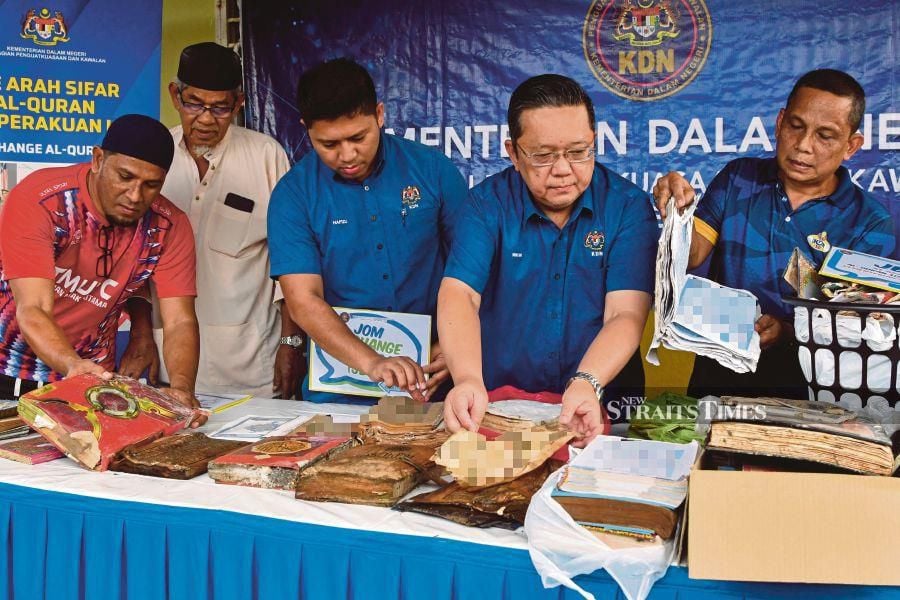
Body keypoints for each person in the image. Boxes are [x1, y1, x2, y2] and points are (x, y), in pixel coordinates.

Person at [438, 74, 658, 445]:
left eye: (578, 152)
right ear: (513, 152)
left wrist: (587, 381)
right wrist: (467, 379)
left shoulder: (627, 207)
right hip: (503, 406)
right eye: (542, 155)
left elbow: (625, 314)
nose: (562, 170)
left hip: (602, 404)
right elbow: (460, 295)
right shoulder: (485, 206)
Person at [652, 68, 895, 399]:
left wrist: (787, 332)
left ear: (851, 145)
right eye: (796, 126)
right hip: (718, 385)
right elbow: (692, 253)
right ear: (780, 122)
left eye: (825, 135)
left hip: (811, 399)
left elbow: (858, 330)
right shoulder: (739, 178)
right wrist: (677, 213)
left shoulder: (870, 222)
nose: (803, 146)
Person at [268, 58, 467, 403]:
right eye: (328, 144)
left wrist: (451, 344)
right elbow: (303, 300)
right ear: (306, 128)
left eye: (358, 137)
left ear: (379, 114)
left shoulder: (433, 170)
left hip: (431, 380)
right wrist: (372, 363)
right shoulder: (293, 195)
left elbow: (472, 271)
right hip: (339, 390)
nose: (347, 155)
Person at [119, 42, 304, 399]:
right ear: (175, 95)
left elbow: (290, 262)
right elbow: (134, 261)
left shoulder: (267, 156)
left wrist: (292, 341)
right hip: (169, 366)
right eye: (194, 104)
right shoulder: (155, 158)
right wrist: (142, 333)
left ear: (238, 104)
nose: (205, 119)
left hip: (254, 368)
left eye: (220, 108)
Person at [0, 114, 203, 420]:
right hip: (9, 367)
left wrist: (181, 389)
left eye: (151, 185)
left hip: (94, 376)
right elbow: (34, 308)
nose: (135, 196)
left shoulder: (169, 226)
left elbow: (179, 322)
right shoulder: (43, 200)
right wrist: (72, 365)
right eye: (124, 177)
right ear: (97, 160)